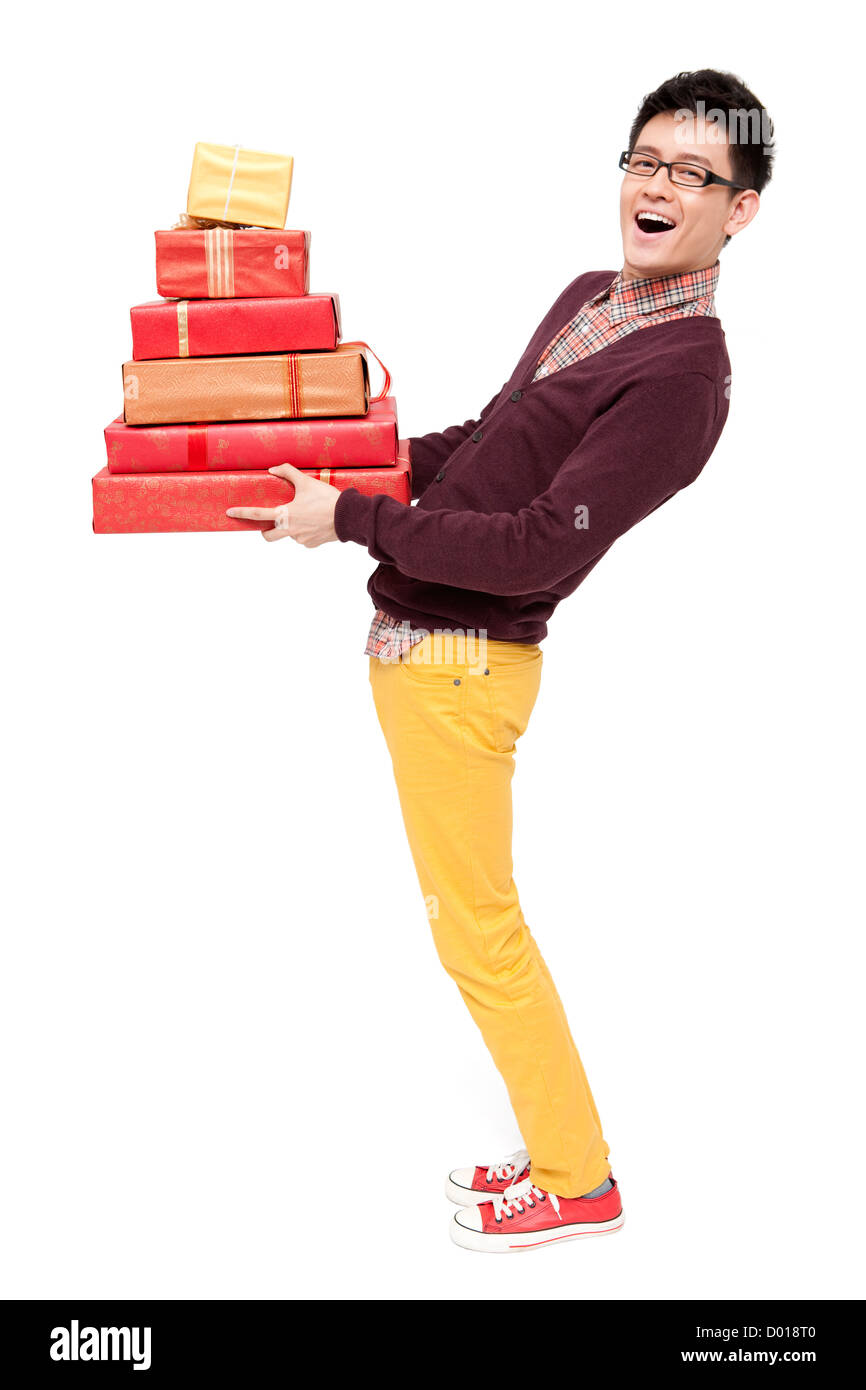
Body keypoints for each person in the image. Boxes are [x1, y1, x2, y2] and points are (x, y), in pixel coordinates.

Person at [227, 68, 773, 1254]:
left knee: (477, 930)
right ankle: (562, 1154)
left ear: (739, 212)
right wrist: (351, 464)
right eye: (644, 160)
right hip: (423, 649)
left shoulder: (682, 381)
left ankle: (578, 1182)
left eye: (693, 174)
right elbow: (486, 443)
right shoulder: (595, 295)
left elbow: (532, 552)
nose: (656, 186)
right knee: (472, 922)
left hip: (463, 667)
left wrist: (352, 522)